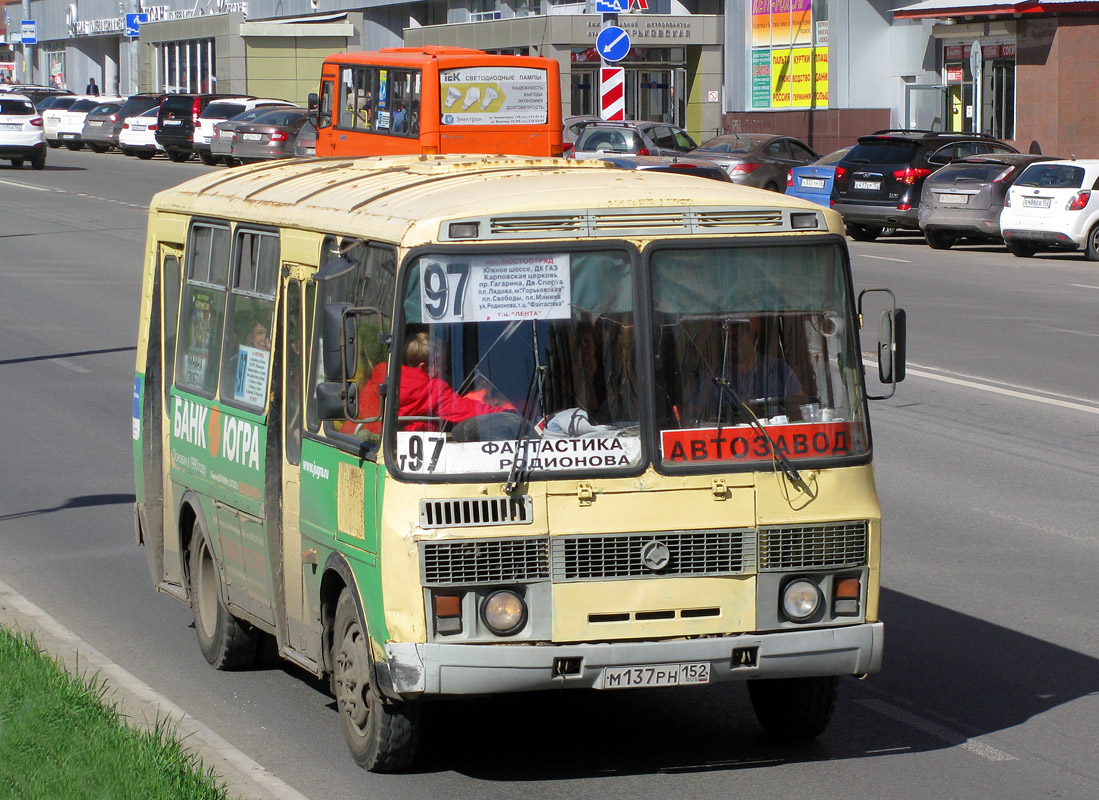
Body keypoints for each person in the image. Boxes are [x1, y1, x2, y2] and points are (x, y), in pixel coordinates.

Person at [688, 319, 802, 423]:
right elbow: (692, 415)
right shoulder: (711, 376)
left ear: (754, 338)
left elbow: (801, 406)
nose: (729, 344)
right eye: (725, 339)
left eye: (736, 338)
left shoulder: (779, 370)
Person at [398, 331, 513, 433]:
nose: (446, 368)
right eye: (441, 364)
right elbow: (467, 410)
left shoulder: (387, 376)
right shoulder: (431, 389)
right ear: (423, 367)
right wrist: (510, 415)